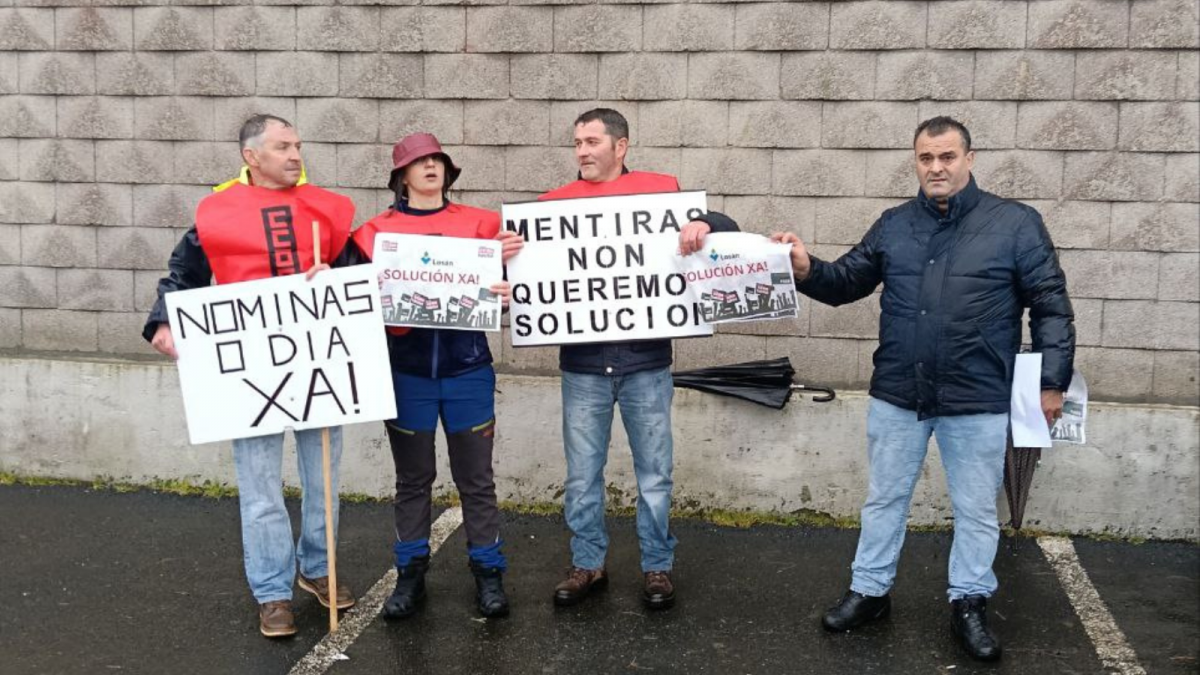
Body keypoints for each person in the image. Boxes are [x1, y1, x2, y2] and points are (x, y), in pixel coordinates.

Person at [771, 116, 1074, 661]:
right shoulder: (894, 225)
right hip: (898, 394)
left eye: (947, 157)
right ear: (915, 161)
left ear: (970, 159)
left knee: (977, 508)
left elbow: (1051, 305)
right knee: (884, 499)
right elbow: (846, 283)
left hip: (977, 396)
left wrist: (1052, 383)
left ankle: (970, 601)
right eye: (925, 158)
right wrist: (806, 266)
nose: (936, 167)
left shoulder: (1017, 224)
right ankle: (869, 591)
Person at [143, 114, 357, 638]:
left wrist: (342, 275)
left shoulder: (326, 210)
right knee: (260, 487)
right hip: (248, 375)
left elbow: (358, 272)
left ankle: (318, 570)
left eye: (298, 146)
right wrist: (163, 320)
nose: (295, 154)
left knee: (322, 480)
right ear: (251, 156)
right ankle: (272, 592)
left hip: (318, 366)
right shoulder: (215, 213)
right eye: (283, 146)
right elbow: (184, 275)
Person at [537, 108, 739, 611]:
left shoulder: (660, 192)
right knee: (582, 475)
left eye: (591, 141)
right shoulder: (553, 206)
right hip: (583, 366)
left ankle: (656, 566)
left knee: (655, 473)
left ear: (620, 146)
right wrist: (510, 252)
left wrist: (703, 222)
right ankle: (588, 563)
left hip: (646, 363)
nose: (581, 151)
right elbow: (529, 277)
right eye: (577, 142)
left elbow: (727, 228)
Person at [345, 133, 523, 619]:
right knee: (413, 480)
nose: (429, 167)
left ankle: (489, 574)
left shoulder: (484, 224)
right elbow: (341, 298)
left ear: (448, 170)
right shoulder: (371, 233)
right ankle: (409, 576)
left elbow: (531, 280)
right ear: (401, 176)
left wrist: (514, 279)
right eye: (418, 162)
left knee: (476, 480)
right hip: (407, 375)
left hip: (468, 371)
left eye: (437, 160)